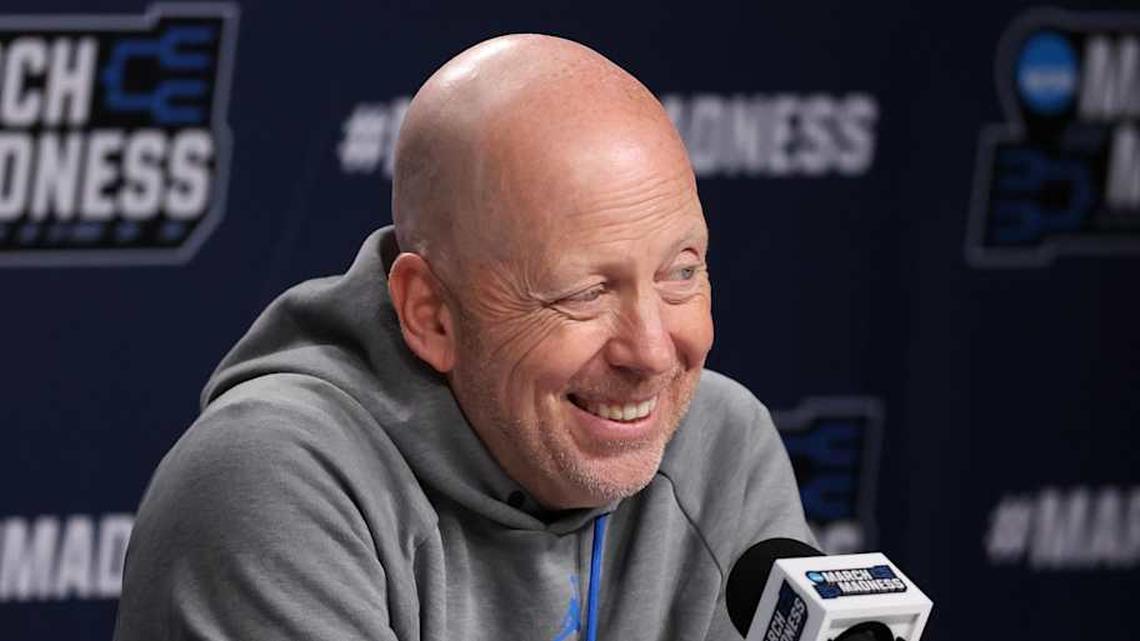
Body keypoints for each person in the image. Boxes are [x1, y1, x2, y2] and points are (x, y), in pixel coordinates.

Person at [114, 34, 812, 641]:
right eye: (584, 293)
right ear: (431, 313)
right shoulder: (271, 481)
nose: (653, 351)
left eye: (681, 273)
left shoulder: (721, 449)